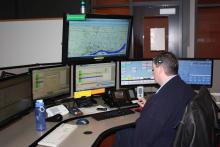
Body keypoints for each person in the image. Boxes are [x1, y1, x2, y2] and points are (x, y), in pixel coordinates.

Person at [113, 52, 196, 147]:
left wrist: (149, 109)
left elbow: (141, 140)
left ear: (160, 70)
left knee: (122, 132)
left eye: (153, 69)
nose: (152, 73)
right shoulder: (186, 88)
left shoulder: (158, 101)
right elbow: (167, 110)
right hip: (173, 138)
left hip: (160, 142)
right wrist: (149, 107)